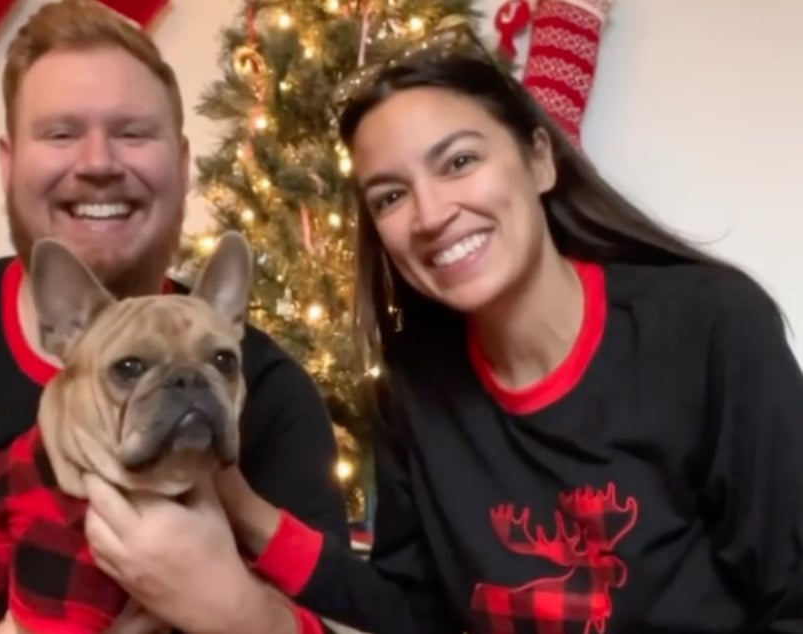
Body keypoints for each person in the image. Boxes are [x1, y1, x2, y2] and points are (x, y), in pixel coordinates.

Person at [102, 22, 803, 634]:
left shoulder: (708, 328)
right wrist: (241, 510)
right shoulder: (414, 384)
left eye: (459, 162)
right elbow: (413, 613)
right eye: (391, 196)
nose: (431, 214)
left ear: (538, 159)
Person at [0, 1, 347, 632]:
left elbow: (346, 612)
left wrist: (235, 610)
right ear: (7, 164)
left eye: (133, 133)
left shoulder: (271, 393)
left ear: (184, 161)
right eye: (59, 133)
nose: (97, 163)